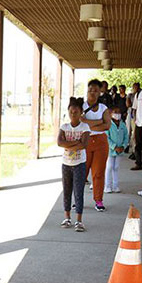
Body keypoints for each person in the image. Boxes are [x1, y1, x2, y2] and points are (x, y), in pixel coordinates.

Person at [57, 97, 90, 232]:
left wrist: (69, 144)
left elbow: (84, 145)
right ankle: (67, 217)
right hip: (66, 164)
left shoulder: (85, 127)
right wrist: (76, 143)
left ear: (81, 112)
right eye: (71, 112)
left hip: (79, 164)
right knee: (67, 191)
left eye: (76, 112)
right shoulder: (64, 126)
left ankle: (79, 220)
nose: (73, 114)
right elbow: (59, 142)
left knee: (78, 191)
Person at [81, 79, 111, 211]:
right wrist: (99, 122)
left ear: (100, 92)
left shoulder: (103, 108)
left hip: (100, 142)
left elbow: (107, 125)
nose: (93, 93)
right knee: (81, 172)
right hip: (84, 141)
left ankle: (98, 200)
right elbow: (78, 123)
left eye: (96, 90)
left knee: (98, 173)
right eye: (90, 90)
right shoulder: (80, 106)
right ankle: (78, 199)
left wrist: (87, 122)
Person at [105, 104, 130, 194]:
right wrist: (114, 147)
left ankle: (115, 186)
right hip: (111, 150)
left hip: (120, 151)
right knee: (109, 167)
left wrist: (123, 146)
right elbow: (106, 137)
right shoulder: (108, 125)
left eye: (119, 112)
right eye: (115, 112)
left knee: (116, 167)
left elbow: (126, 136)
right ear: (110, 114)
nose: (118, 114)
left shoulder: (123, 125)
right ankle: (107, 186)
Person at [127, 82, 141, 158]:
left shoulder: (141, 94)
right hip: (132, 115)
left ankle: (134, 151)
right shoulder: (131, 95)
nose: (135, 88)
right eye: (134, 87)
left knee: (135, 135)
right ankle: (129, 147)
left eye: (137, 87)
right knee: (129, 132)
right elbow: (128, 105)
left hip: (140, 117)